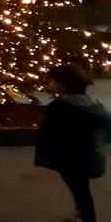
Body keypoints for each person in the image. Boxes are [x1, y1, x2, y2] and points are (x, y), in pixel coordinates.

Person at [35, 65, 111, 222]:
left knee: (80, 190)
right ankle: (82, 212)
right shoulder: (93, 103)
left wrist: (46, 156)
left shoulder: (59, 107)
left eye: (52, 81)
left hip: (71, 159)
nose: (50, 84)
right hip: (91, 156)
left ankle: (87, 216)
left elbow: (48, 133)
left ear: (61, 84)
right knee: (81, 188)